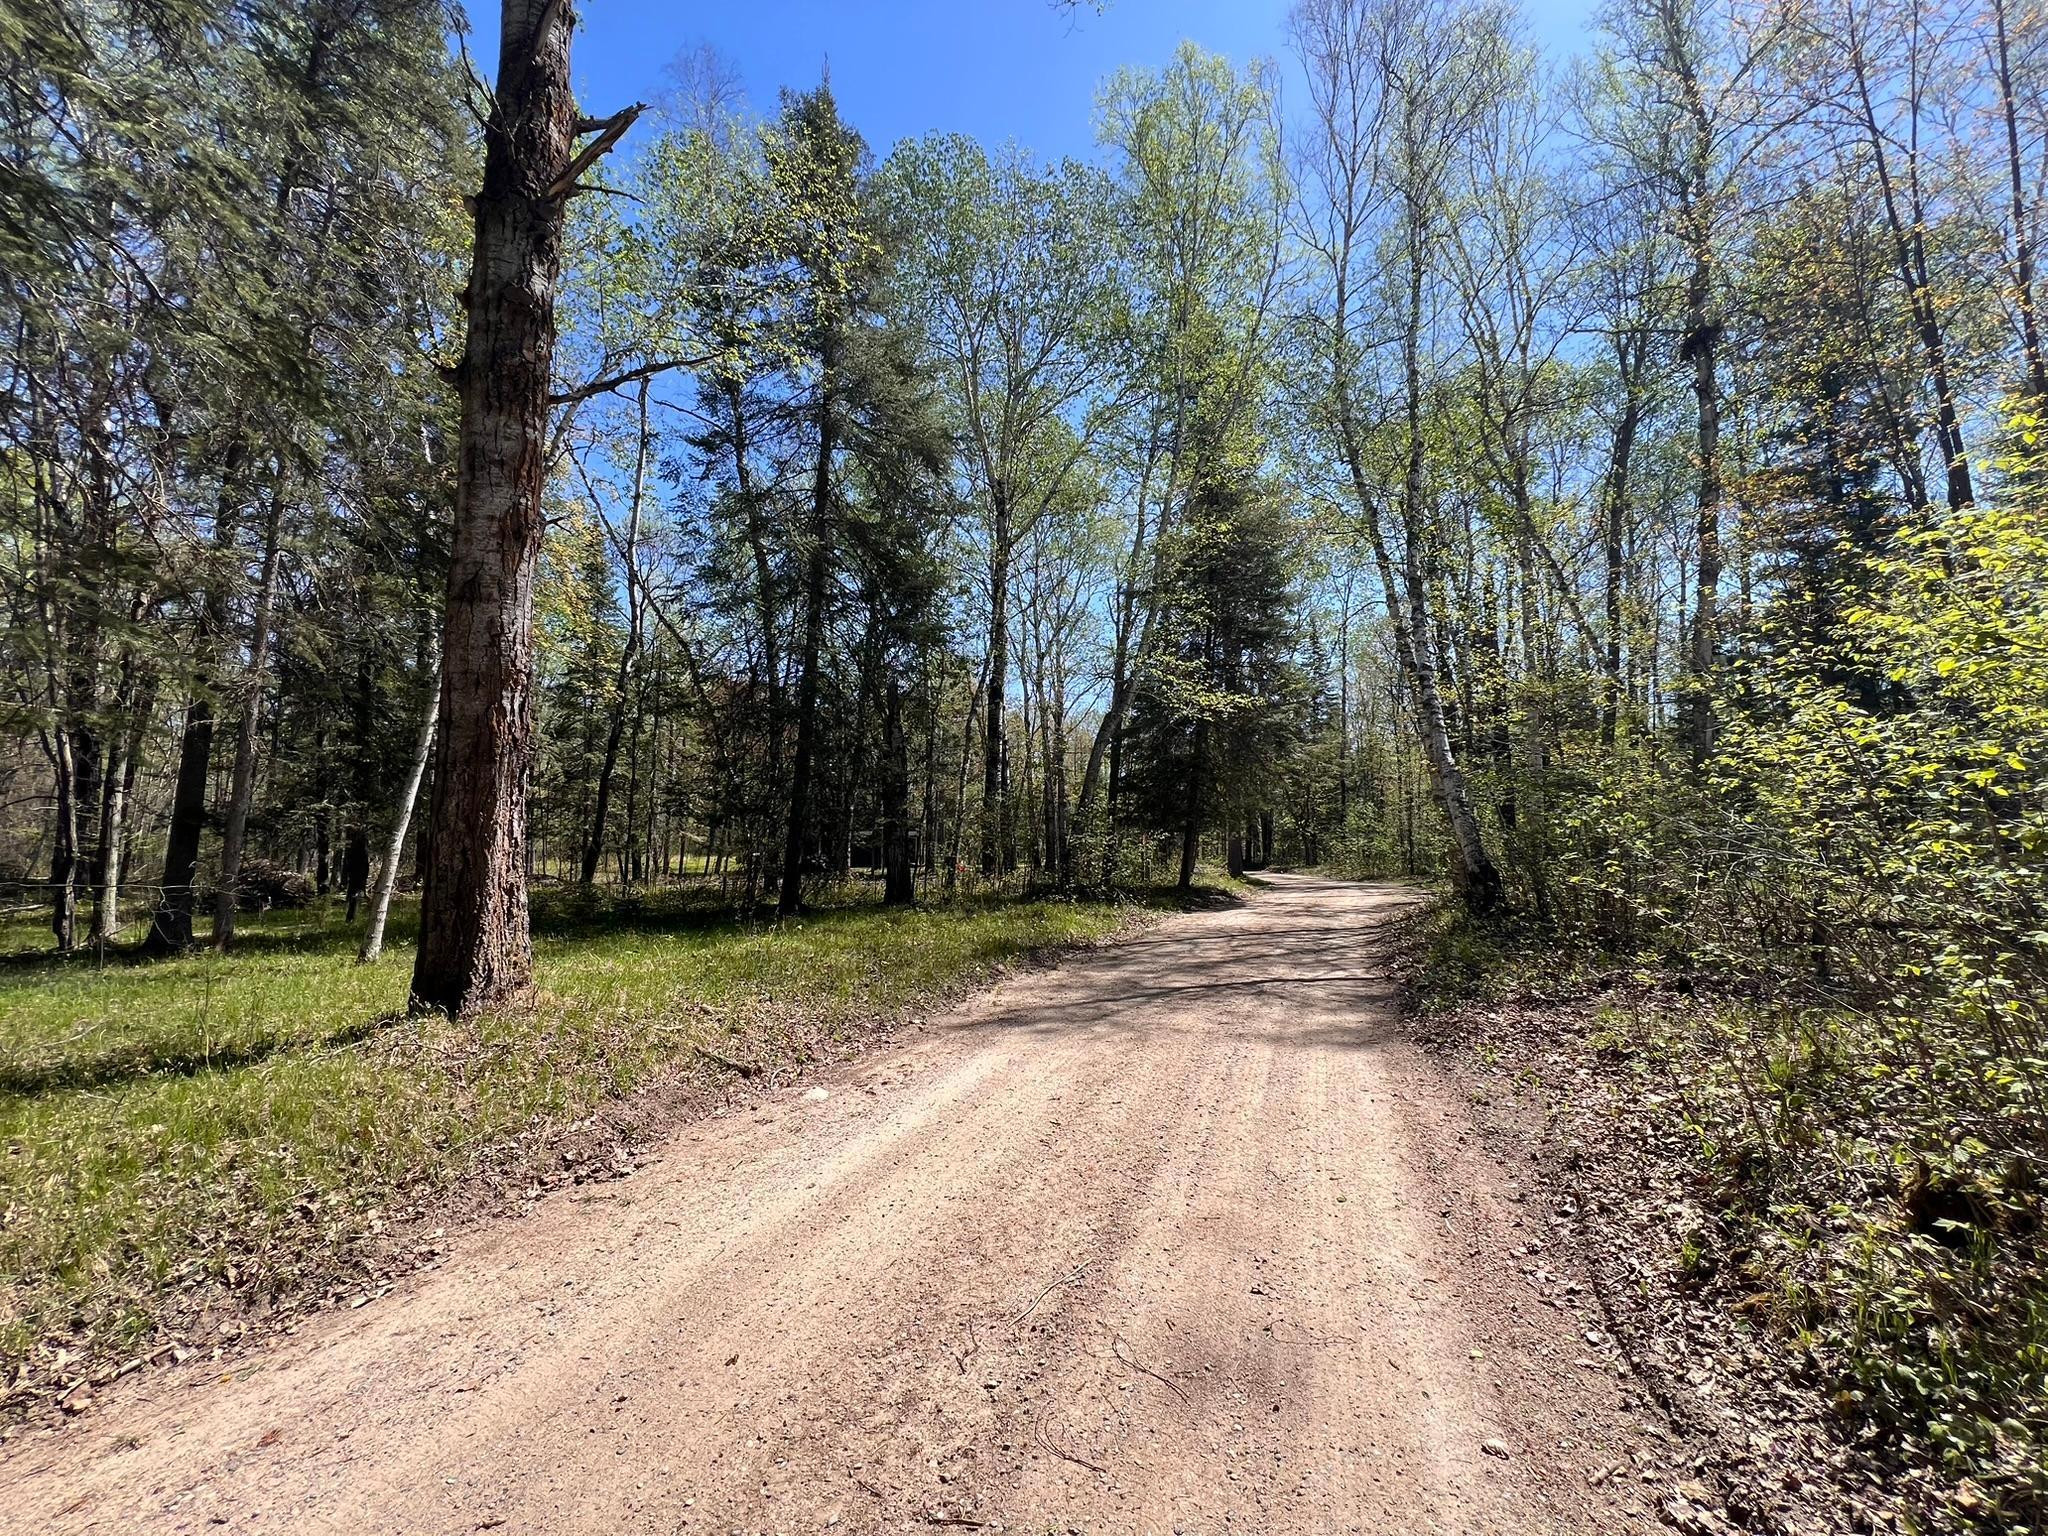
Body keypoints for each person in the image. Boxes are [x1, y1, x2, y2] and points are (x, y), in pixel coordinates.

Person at [341, 825, 371, 921]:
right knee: (353, 894)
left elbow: (359, 861)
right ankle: (350, 916)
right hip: (356, 872)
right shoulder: (356, 845)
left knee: (354, 894)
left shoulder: (357, 845)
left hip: (357, 873)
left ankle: (351, 917)